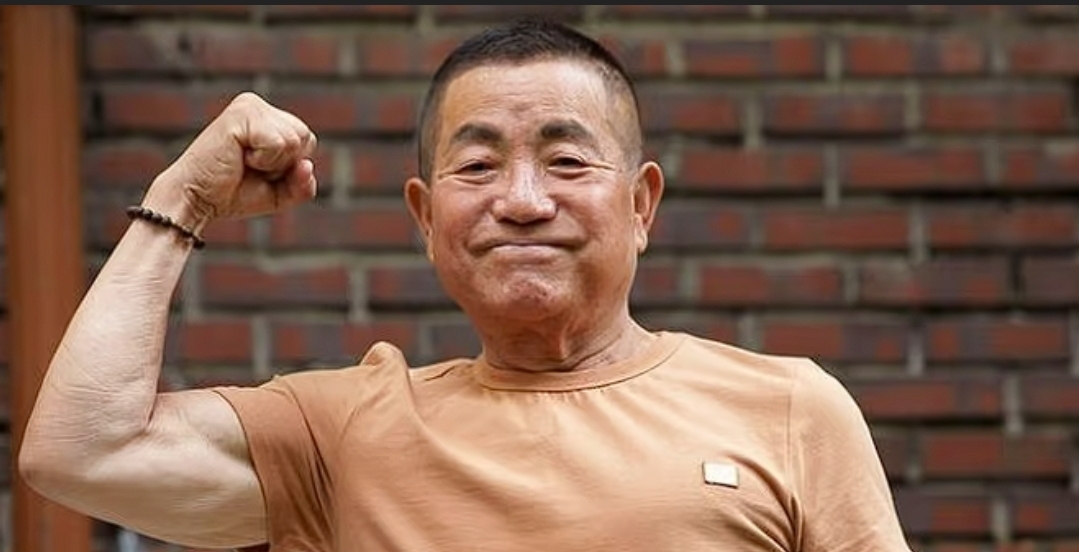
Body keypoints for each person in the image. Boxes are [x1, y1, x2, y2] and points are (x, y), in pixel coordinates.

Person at [18, 17, 912, 552]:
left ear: (641, 204)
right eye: (477, 166)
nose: (520, 201)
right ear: (425, 216)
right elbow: (79, 453)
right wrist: (182, 200)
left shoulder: (788, 408)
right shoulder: (345, 434)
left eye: (566, 160)